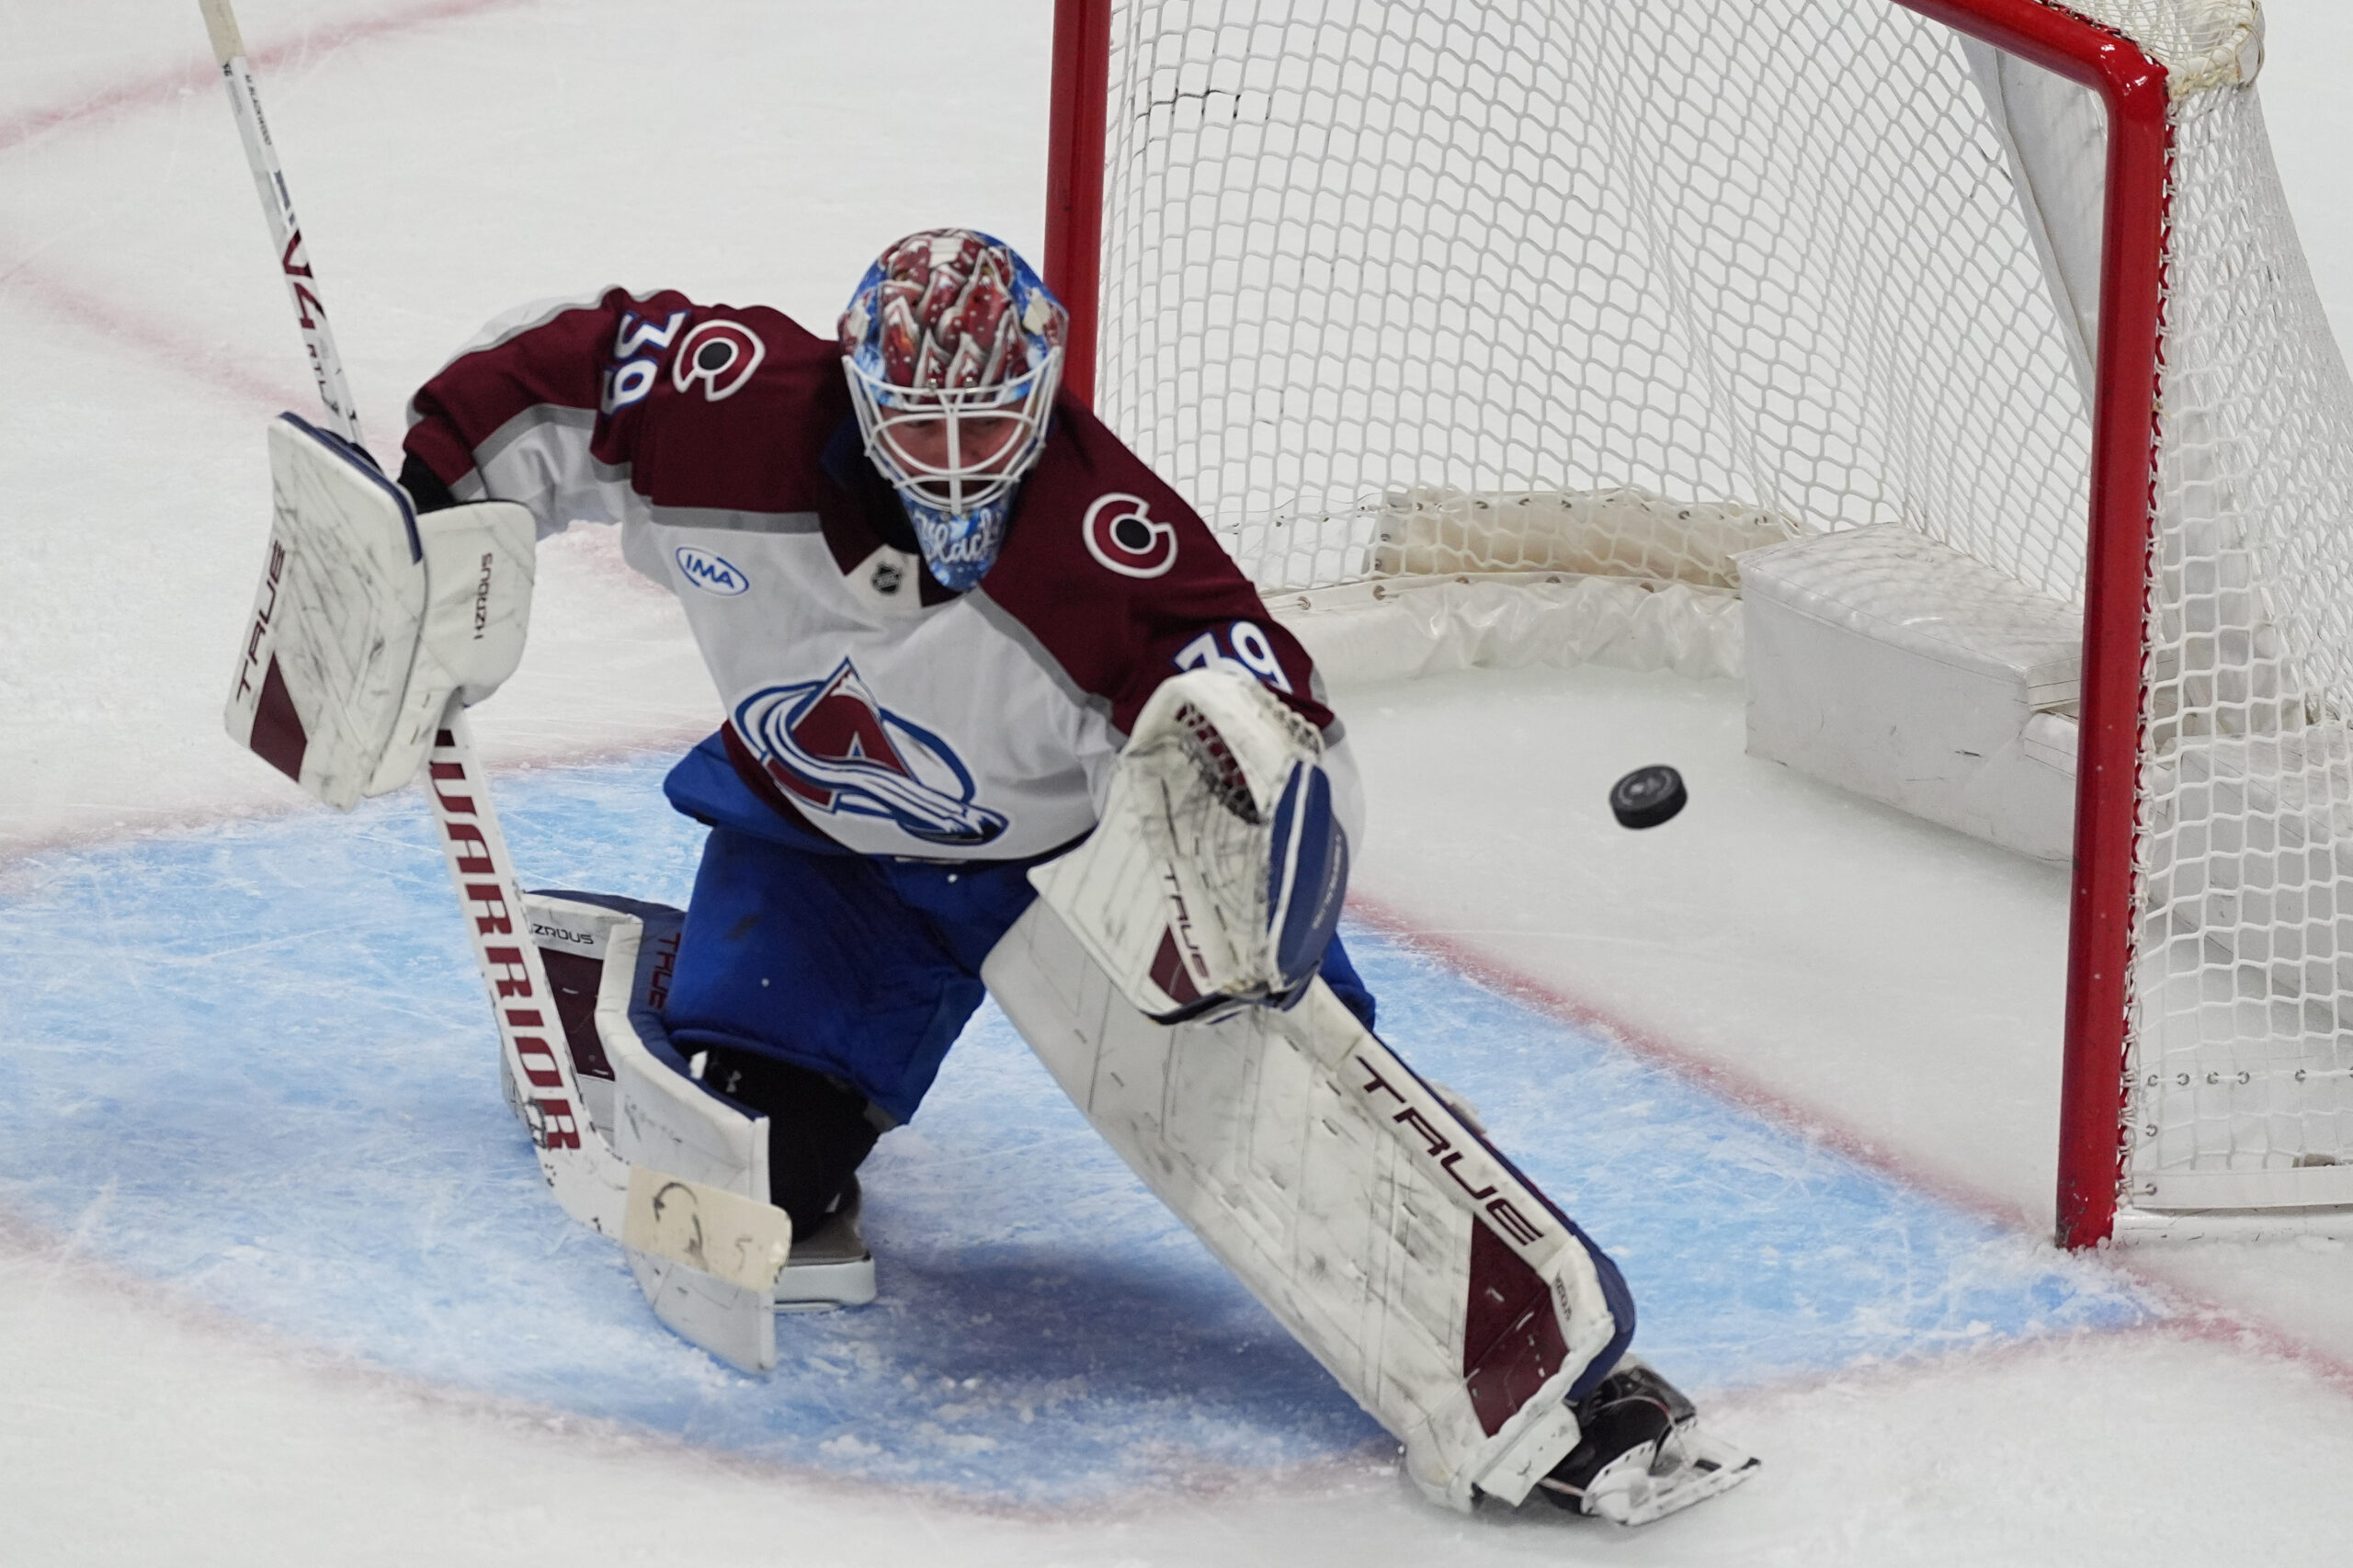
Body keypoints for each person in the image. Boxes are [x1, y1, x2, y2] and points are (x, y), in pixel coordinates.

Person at [393, 228, 1751, 1524]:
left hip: (1076, 877)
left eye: (987, 429)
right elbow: (576, 367)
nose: (953, 466)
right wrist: (424, 492)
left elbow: (1278, 739)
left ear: (1041, 394)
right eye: (916, 429)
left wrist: (1255, 921)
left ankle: (1569, 1393)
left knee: (1313, 1118)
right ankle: (639, 985)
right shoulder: (732, 406)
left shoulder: (1107, 547)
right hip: (830, 850)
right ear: (857, 398)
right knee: (763, 1191)